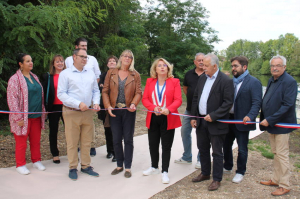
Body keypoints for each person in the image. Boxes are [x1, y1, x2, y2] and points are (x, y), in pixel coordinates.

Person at [190, 53, 234, 191]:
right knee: (202, 149)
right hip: (201, 121)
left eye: (206, 65)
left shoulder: (226, 81)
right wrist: (194, 117)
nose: (203, 68)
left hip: (217, 123)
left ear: (215, 66)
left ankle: (216, 179)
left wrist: (214, 115)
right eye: (202, 65)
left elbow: (228, 103)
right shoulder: (202, 78)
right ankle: (205, 173)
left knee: (217, 152)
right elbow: (196, 97)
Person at [57, 48, 100, 181]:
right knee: (72, 141)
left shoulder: (90, 73)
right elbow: (61, 94)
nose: (84, 59)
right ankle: (73, 167)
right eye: (82, 56)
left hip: (87, 112)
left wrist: (96, 103)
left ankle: (86, 166)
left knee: (87, 141)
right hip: (71, 112)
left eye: (86, 57)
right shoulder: (65, 74)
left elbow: (95, 90)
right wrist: (78, 103)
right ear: (74, 57)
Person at [259, 55, 297, 196]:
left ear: (284, 67)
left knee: (282, 154)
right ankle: (275, 179)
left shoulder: (290, 82)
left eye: (278, 65)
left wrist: (270, 119)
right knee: (275, 153)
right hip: (272, 123)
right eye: (273, 65)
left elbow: (287, 105)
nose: (275, 68)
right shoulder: (272, 80)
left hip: (282, 124)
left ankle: (285, 185)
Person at [102, 49, 142, 178]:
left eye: (130, 57)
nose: (127, 58)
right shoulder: (111, 73)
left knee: (128, 139)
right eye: (125, 56)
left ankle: (128, 167)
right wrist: (108, 106)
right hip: (114, 111)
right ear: (120, 58)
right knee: (116, 139)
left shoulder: (135, 75)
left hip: (128, 111)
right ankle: (119, 165)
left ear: (132, 60)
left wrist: (134, 103)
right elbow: (105, 91)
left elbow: (138, 92)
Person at [142, 58, 182, 184]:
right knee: (153, 144)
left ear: (168, 68)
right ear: (155, 69)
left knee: (166, 146)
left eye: (165, 65)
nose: (162, 67)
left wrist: (168, 109)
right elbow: (145, 99)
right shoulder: (150, 81)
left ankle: (165, 171)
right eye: (159, 66)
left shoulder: (174, 81)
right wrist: (153, 108)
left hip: (168, 117)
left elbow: (178, 100)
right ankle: (154, 167)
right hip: (153, 116)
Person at [223, 56, 262, 183]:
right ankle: (227, 166)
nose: (233, 68)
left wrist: (250, 116)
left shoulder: (254, 82)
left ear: (244, 67)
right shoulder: (230, 81)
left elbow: (257, 102)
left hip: (242, 120)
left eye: (235, 66)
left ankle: (240, 171)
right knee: (226, 144)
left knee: (242, 148)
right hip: (229, 119)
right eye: (232, 66)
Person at [7, 53, 46, 175]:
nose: (31, 63)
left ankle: (36, 160)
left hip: (36, 116)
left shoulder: (34, 77)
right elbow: (12, 99)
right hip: (22, 118)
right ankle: (20, 164)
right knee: (21, 143)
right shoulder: (14, 79)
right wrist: (17, 117)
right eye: (28, 61)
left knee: (36, 141)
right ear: (21, 64)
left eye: (31, 60)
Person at [65, 37, 101, 156]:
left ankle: (91, 146)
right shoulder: (68, 62)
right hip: (72, 106)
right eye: (82, 46)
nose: (84, 48)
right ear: (76, 48)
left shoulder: (92, 60)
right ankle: (73, 165)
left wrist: (94, 99)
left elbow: (96, 77)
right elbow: (66, 85)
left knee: (88, 129)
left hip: (88, 100)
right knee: (73, 137)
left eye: (86, 46)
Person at [174, 52, 204, 169]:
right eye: (199, 60)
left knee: (201, 134)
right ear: (195, 62)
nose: (201, 62)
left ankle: (201, 159)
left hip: (202, 111)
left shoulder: (208, 74)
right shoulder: (189, 74)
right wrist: (192, 100)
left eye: (203, 60)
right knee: (185, 132)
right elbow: (185, 88)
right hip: (189, 109)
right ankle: (187, 157)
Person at [42, 55, 66, 164]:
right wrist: (45, 108)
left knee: (70, 130)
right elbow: (44, 93)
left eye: (61, 61)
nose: (60, 63)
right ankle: (55, 154)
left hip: (67, 106)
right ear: (53, 64)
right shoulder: (48, 77)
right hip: (54, 107)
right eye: (57, 61)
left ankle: (73, 151)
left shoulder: (68, 75)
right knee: (53, 130)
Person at [98, 55, 118, 162]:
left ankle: (116, 152)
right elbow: (101, 88)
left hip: (116, 106)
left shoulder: (120, 74)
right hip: (105, 106)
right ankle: (109, 151)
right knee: (107, 129)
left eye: (113, 61)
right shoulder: (103, 75)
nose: (111, 62)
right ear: (107, 64)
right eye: (109, 61)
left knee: (116, 130)